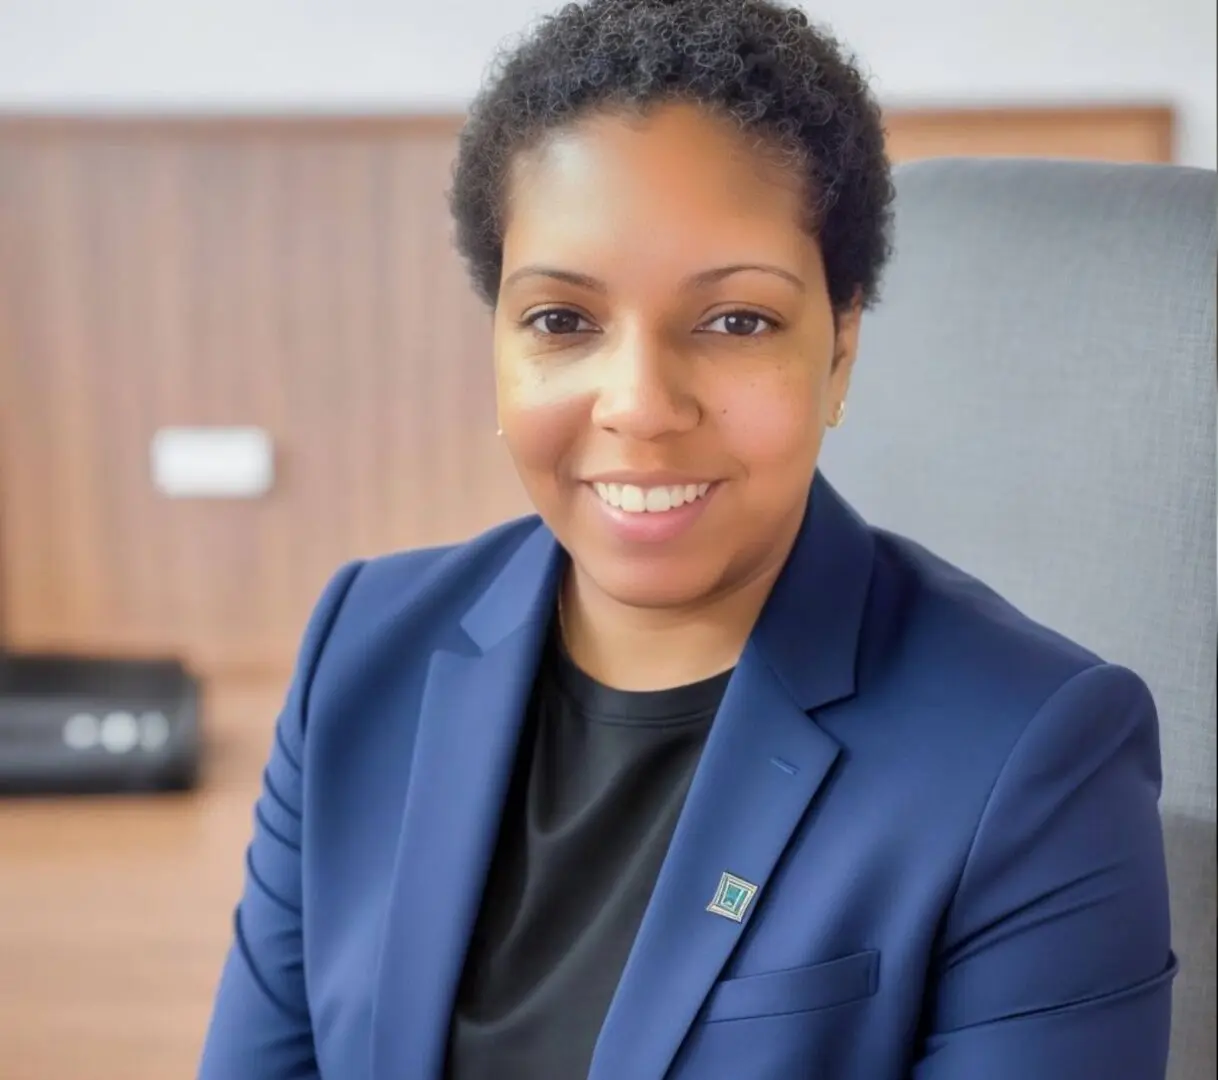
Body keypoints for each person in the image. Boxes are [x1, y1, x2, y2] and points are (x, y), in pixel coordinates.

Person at [199, 1, 1176, 1077]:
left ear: (841, 345)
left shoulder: (1036, 757)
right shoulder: (365, 645)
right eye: (562, 320)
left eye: (735, 320)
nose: (641, 404)